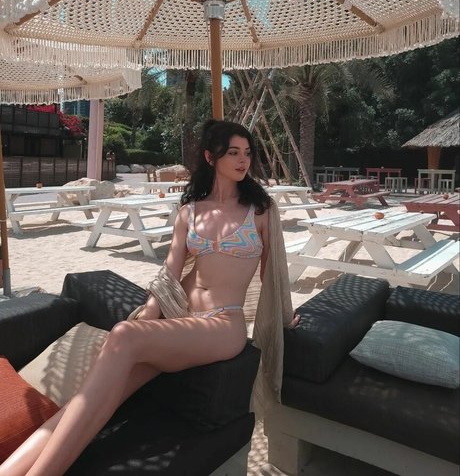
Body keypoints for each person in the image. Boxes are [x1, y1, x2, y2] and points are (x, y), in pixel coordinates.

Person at [1, 119, 299, 476]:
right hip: (179, 320)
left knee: (123, 336)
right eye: (233, 152)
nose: (242, 160)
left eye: (247, 153)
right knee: (87, 402)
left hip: (223, 324)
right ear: (211, 157)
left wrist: (285, 316)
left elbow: (274, 272)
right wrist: (150, 313)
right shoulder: (190, 211)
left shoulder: (260, 210)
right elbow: (170, 272)